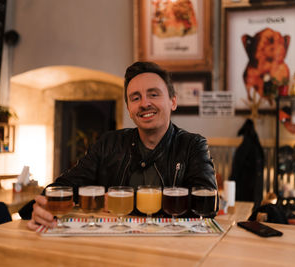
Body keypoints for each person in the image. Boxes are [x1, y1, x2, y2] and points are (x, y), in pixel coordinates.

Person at [22, 61, 217, 230]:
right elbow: (65, 185)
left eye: (154, 94)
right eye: (135, 98)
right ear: (129, 110)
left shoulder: (192, 145)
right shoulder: (109, 143)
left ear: (173, 102)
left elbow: (207, 207)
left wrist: (127, 206)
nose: (144, 103)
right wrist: (41, 206)